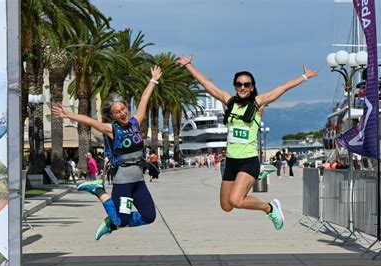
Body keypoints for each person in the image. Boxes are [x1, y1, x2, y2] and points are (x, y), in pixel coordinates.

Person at [178, 53, 317, 230]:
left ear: (252, 87)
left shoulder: (258, 103)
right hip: (231, 162)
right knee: (226, 206)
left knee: (236, 200)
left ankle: (270, 208)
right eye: (239, 84)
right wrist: (187, 65)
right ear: (235, 86)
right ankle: (261, 174)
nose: (242, 87)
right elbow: (206, 83)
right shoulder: (228, 102)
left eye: (246, 84)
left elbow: (281, 88)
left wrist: (304, 77)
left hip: (248, 160)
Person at [51, 66, 162, 240]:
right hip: (123, 182)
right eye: (117, 112)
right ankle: (98, 190)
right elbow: (89, 120)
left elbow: (144, 100)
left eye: (123, 109)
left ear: (127, 108)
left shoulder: (135, 122)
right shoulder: (111, 129)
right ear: (112, 116)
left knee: (149, 216)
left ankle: (111, 224)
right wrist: (68, 115)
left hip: (138, 181)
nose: (122, 113)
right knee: (121, 219)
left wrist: (153, 80)